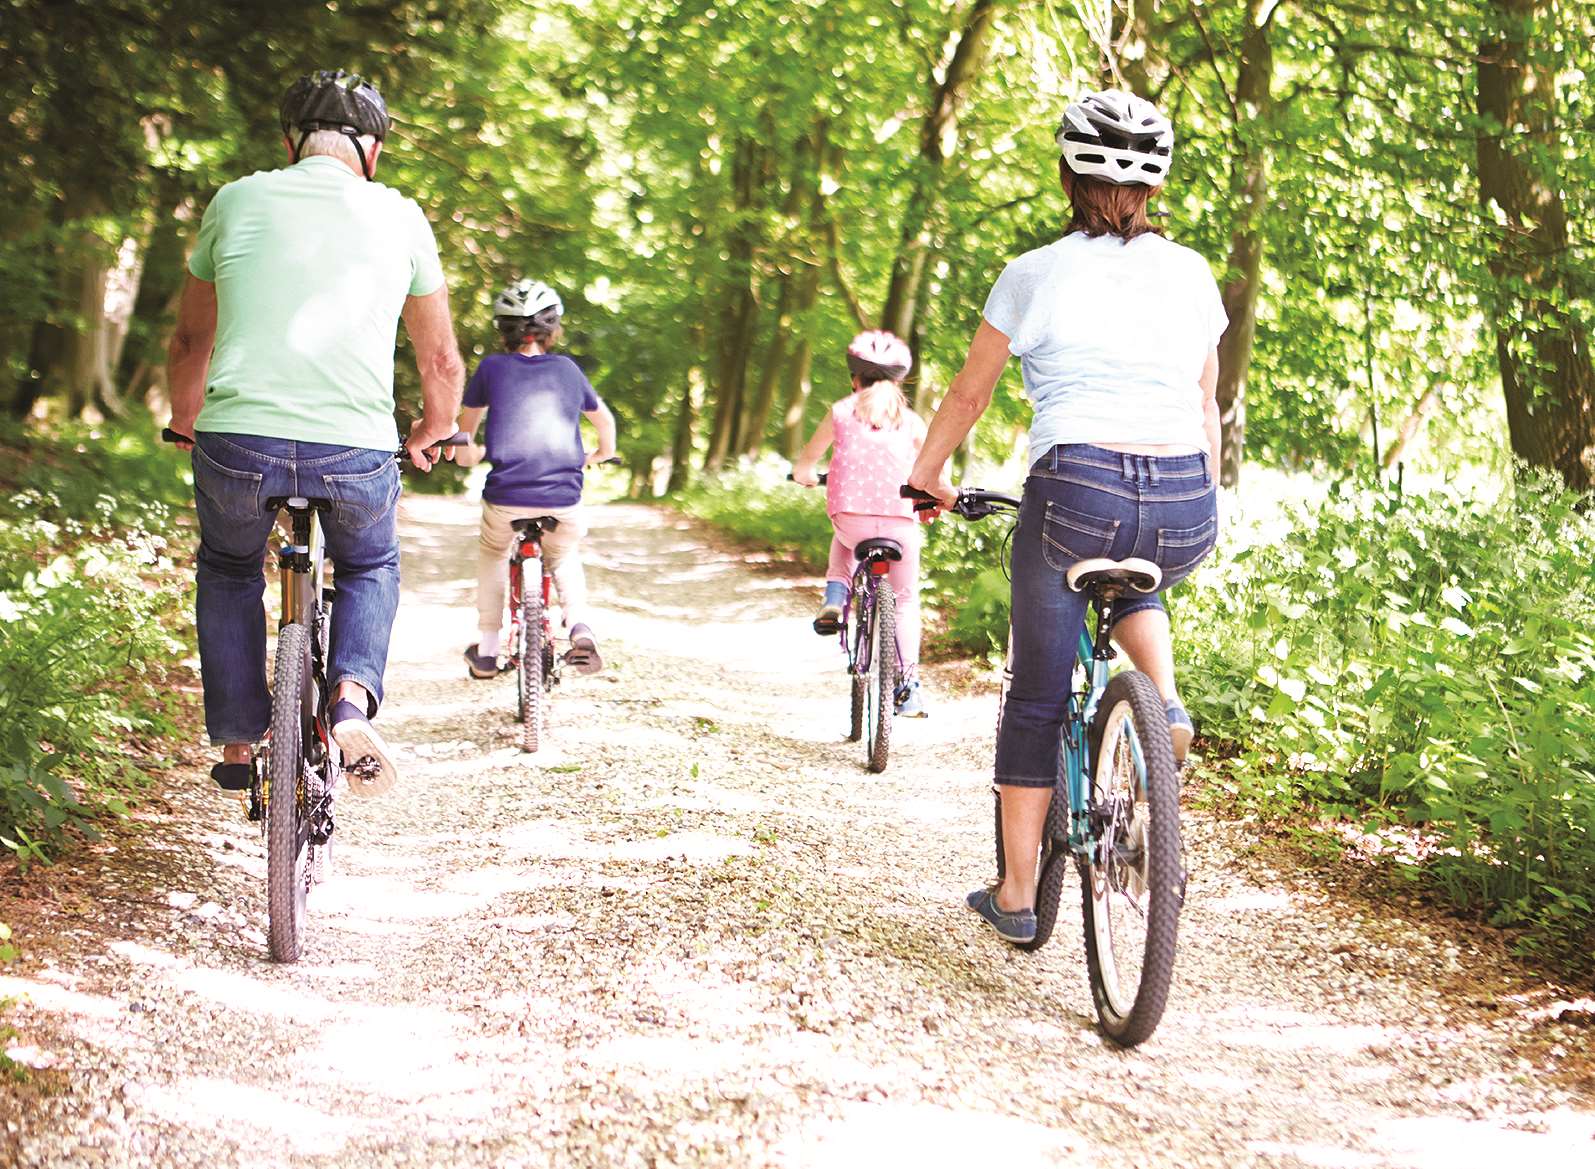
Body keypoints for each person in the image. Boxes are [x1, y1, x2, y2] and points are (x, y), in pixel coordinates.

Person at [905, 89, 1225, 944]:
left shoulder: (1033, 272)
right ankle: (1162, 702)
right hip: (1184, 499)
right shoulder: (1193, 272)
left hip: (1074, 486)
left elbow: (969, 394)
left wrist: (925, 474)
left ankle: (1014, 895)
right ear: (1155, 187)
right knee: (1134, 571)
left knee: (1039, 696)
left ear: (1065, 175)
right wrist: (1208, 500)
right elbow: (1206, 403)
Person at [165, 69, 465, 799]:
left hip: (237, 439)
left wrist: (184, 419)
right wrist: (437, 426)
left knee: (231, 568)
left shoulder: (234, 200)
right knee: (368, 566)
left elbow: (187, 339)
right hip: (353, 447)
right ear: (372, 150)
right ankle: (352, 701)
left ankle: (238, 740)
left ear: (290, 141)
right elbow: (441, 359)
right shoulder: (400, 215)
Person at [456, 279, 618, 680]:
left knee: (493, 552)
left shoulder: (490, 369)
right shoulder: (567, 368)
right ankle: (580, 628)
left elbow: (465, 435)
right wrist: (599, 455)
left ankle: (489, 648)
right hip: (563, 495)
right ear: (553, 330)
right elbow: (605, 423)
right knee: (562, 554)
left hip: (507, 495)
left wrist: (468, 456)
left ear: (503, 329)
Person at [792, 330, 931, 717]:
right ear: (898, 381)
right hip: (900, 523)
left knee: (845, 538)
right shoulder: (912, 420)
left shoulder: (840, 411)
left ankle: (835, 599)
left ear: (855, 379)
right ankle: (908, 687)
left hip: (850, 521)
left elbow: (808, 461)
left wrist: (804, 474)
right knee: (905, 600)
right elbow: (934, 470)